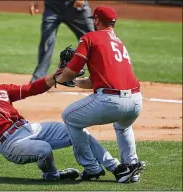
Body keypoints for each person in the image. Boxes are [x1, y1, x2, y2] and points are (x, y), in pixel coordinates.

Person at [0, 62, 141, 182]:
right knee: (43, 149)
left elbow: (31, 88)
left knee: (76, 130)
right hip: (10, 143)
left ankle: (114, 167)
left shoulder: (0, 90)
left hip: (30, 128)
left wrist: (55, 77)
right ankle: (52, 175)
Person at [55, 5, 145, 182]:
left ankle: (92, 167)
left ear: (96, 20)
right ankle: (131, 167)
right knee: (123, 126)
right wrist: (74, 82)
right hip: (135, 101)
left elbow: (72, 70)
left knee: (69, 118)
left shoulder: (90, 38)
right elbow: (94, 81)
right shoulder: (118, 43)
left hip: (110, 102)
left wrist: (60, 78)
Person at [29, 0, 94, 82]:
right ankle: (38, 79)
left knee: (92, 40)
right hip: (52, 7)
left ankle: (101, 76)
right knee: (46, 41)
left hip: (75, 7)